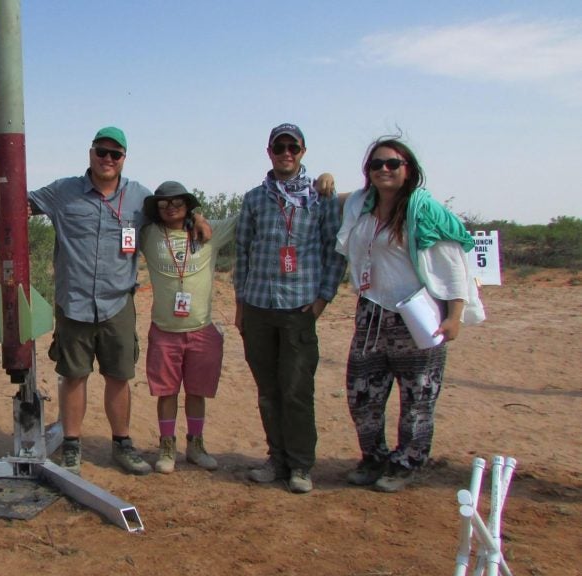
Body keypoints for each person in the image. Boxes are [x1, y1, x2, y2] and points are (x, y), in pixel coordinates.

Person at [20, 127, 212, 476]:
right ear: (90, 153)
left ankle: (122, 444)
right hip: (74, 302)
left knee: (118, 377)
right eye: (101, 152)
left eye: (115, 154)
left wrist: (198, 216)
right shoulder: (64, 192)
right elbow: (19, 205)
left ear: (124, 158)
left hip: (118, 304)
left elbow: (174, 212)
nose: (107, 159)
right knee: (74, 376)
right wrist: (2, 169)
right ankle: (73, 445)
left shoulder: (140, 197)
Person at [335, 137, 483, 493]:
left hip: (417, 314)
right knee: (362, 394)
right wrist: (325, 179)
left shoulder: (425, 211)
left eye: (392, 164)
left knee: (418, 397)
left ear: (409, 170)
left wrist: (455, 314)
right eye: (376, 164)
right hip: (371, 313)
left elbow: (452, 264)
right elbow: (334, 200)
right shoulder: (362, 206)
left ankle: (407, 462)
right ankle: (374, 457)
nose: (384, 169)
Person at [234, 123, 346, 494]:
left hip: (299, 308)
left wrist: (321, 300)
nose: (285, 152)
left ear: (302, 152)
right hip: (258, 306)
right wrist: (240, 304)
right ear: (269, 152)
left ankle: (300, 466)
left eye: (292, 147)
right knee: (268, 390)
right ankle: (276, 459)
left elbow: (334, 250)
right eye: (279, 146)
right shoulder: (254, 199)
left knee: (296, 390)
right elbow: (243, 252)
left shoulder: (320, 197)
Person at [139, 181, 236, 473]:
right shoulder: (148, 234)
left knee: (197, 391)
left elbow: (245, 216)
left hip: (202, 330)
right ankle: (167, 445)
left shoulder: (210, 233)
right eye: (164, 202)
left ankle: (195, 444)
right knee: (166, 392)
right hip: (164, 331)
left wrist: (201, 218)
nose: (170, 206)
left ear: (188, 204)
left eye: (177, 201)